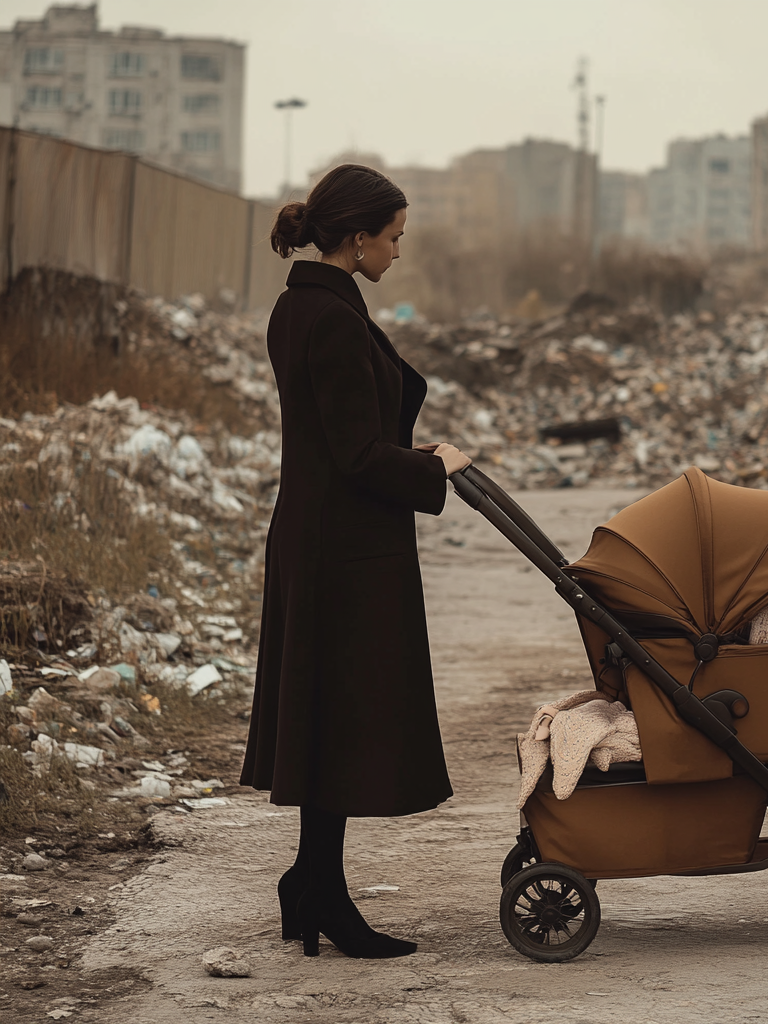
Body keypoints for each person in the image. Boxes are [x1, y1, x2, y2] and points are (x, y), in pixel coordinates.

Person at [239, 164, 471, 960]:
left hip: (324, 538)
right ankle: (321, 891)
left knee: (328, 717)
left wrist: (418, 458)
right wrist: (435, 467)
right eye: (395, 237)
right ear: (359, 235)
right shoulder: (331, 319)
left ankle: (311, 882)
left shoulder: (301, 307)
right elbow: (357, 455)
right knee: (341, 716)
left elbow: (344, 439)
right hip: (346, 547)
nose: (399, 252)